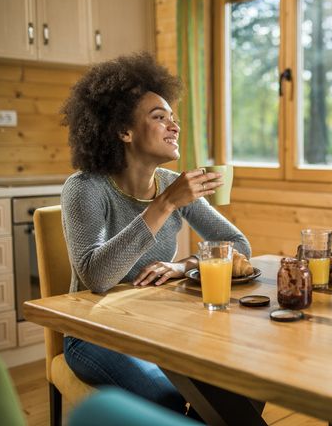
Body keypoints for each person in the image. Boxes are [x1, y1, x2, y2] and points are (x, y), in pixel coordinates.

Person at [60, 52, 265, 423]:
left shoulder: (170, 184)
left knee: (240, 380)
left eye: (174, 119)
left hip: (156, 325)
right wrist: (166, 205)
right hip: (94, 333)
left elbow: (238, 245)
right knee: (168, 397)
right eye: (159, 118)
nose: (174, 127)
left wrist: (182, 265)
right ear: (124, 131)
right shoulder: (86, 188)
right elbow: (97, 276)